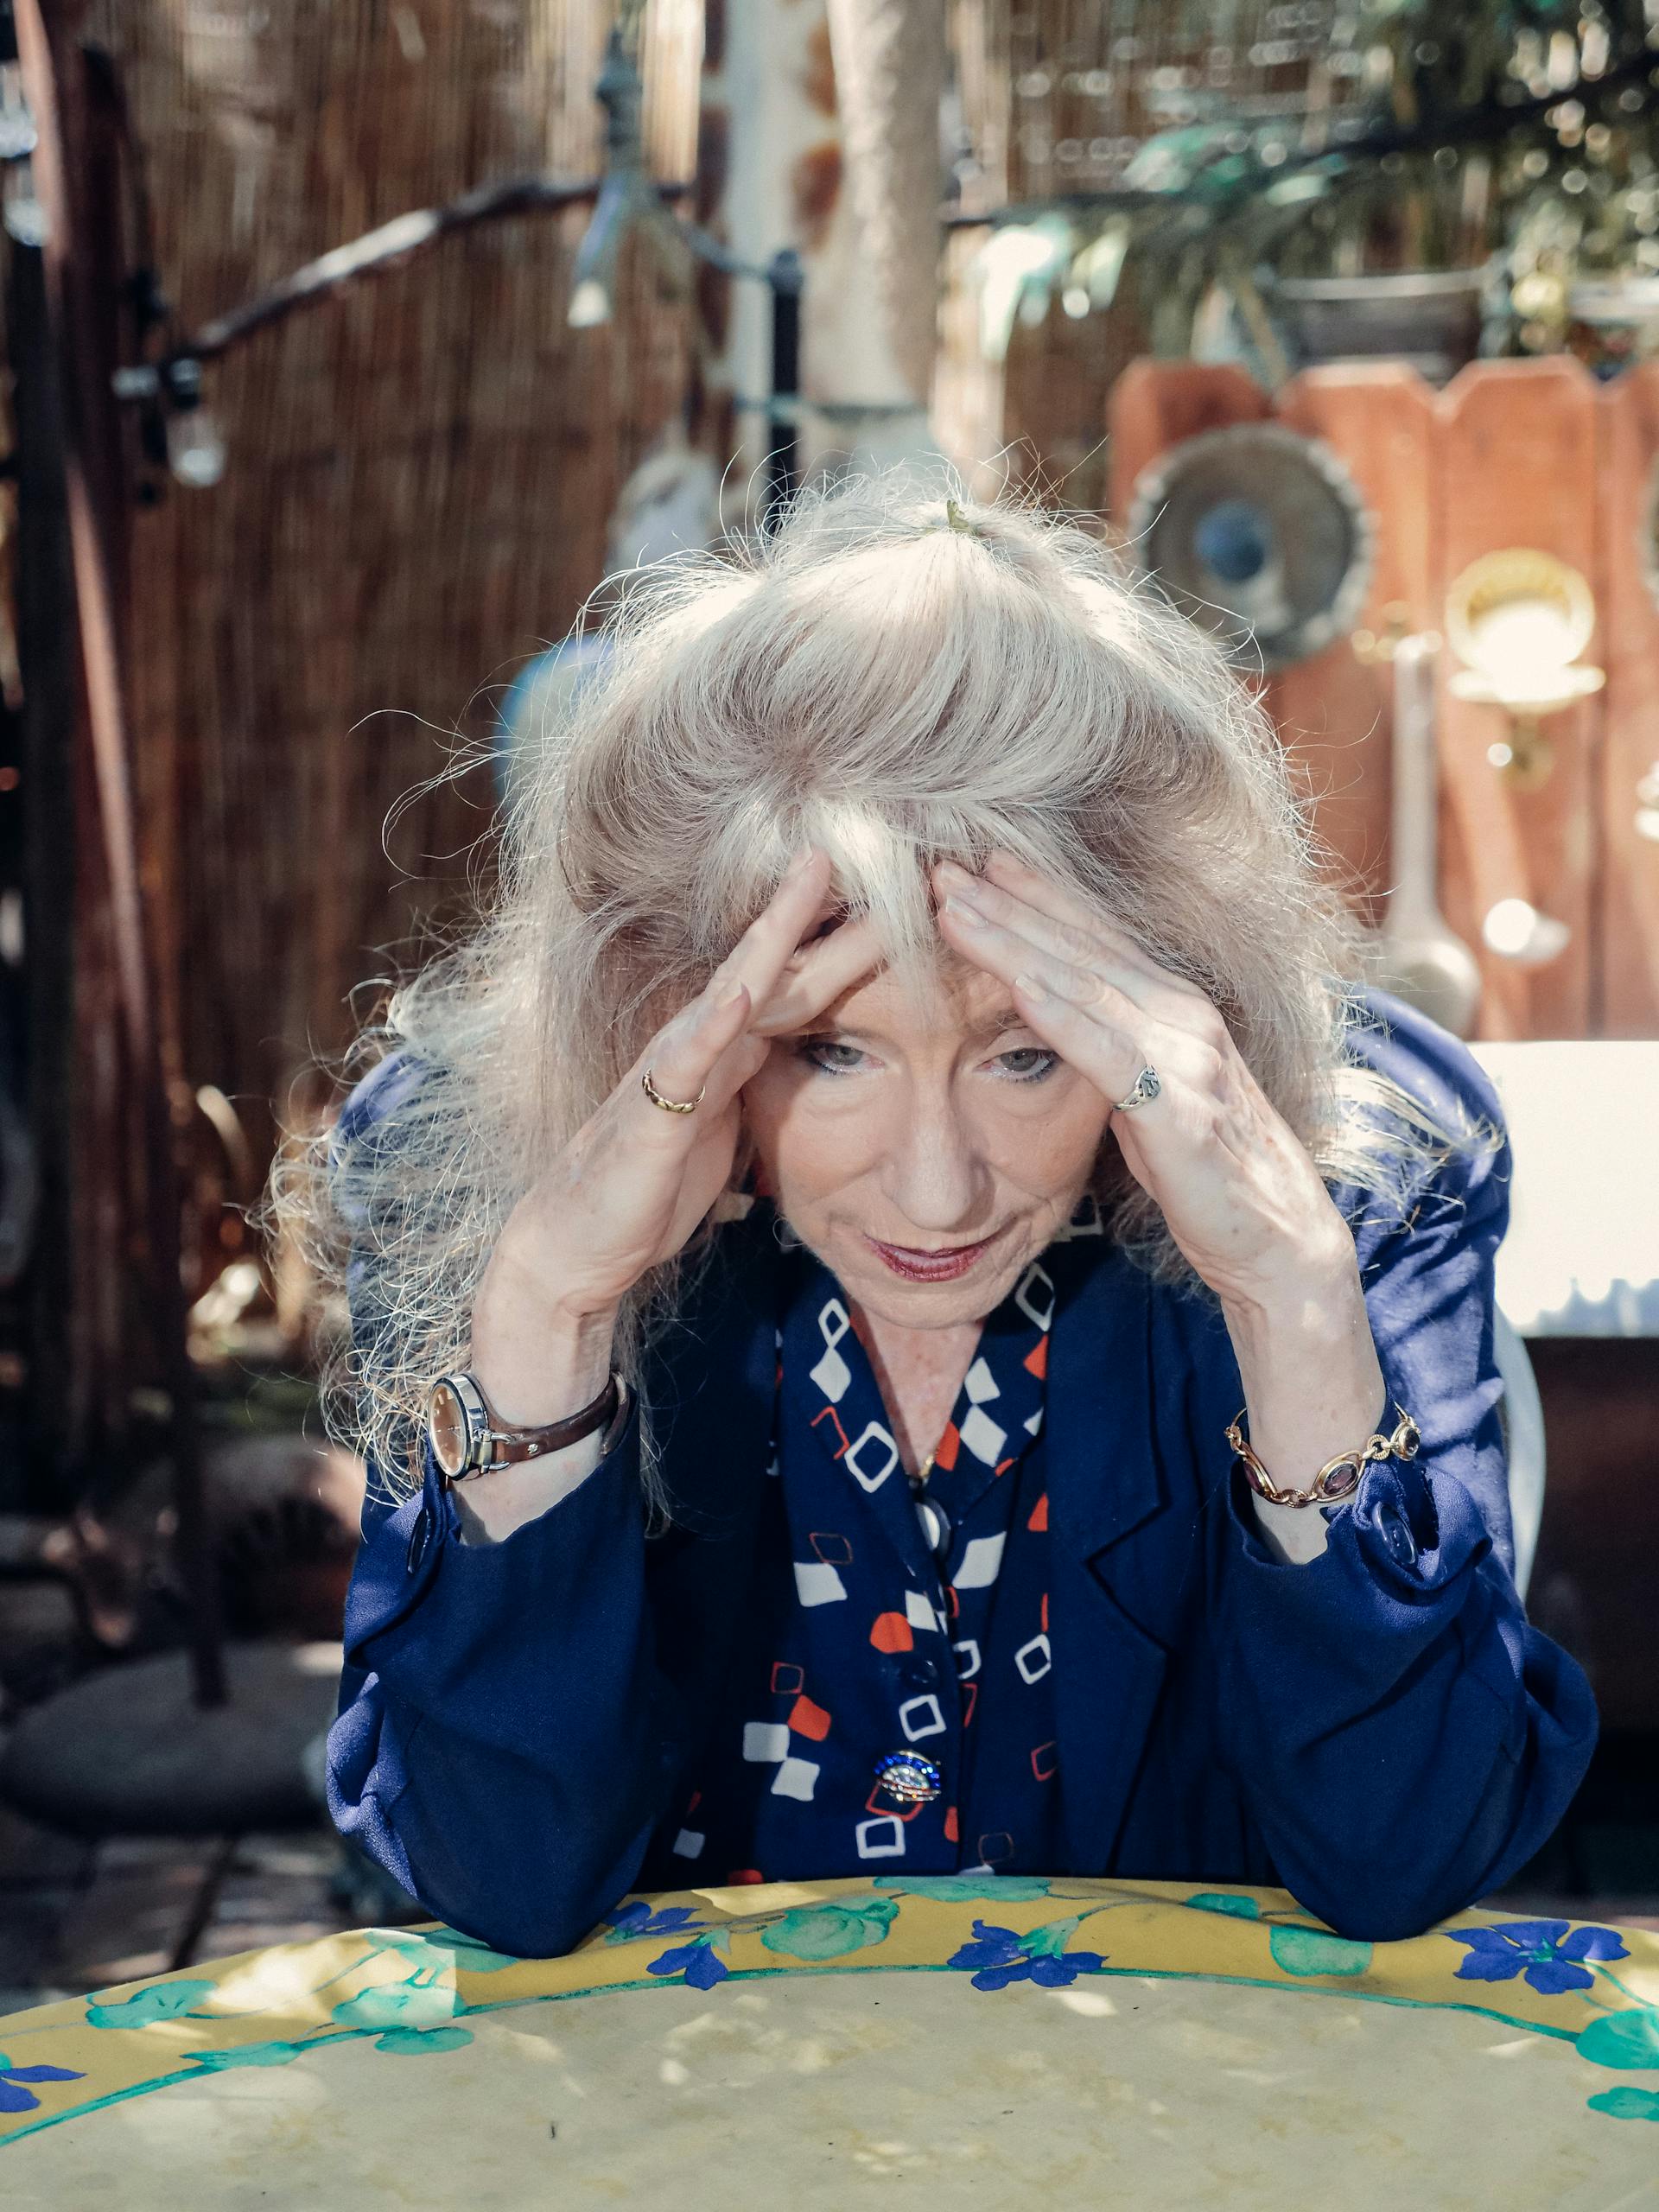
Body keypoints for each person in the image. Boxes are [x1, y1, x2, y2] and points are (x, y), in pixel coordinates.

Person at [303, 471, 1596, 1961]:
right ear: (661, 1007)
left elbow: (1407, 1855)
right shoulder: (464, 1169)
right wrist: (548, 1317)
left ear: (1171, 1003)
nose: (938, 1189)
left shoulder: (1364, 1160)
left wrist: (1292, 1299)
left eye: (1027, 1051)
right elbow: (501, 1880)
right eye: (829, 1051)